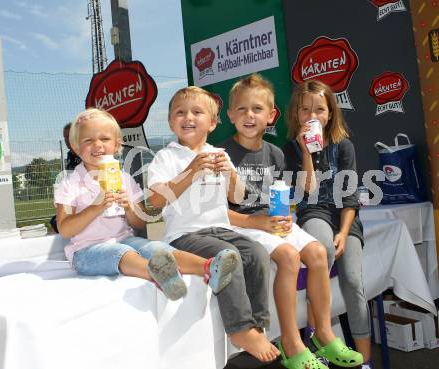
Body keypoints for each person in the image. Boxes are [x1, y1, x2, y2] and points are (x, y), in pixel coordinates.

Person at [223, 73, 363, 369]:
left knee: (316, 252)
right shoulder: (223, 154)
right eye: (243, 109)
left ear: (271, 115)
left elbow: (303, 192)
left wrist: (284, 215)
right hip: (242, 225)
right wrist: (261, 223)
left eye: (258, 109)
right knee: (288, 256)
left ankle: (323, 333)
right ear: (230, 114)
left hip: (271, 222)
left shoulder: (275, 152)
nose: (250, 116)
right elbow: (216, 214)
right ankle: (291, 341)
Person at [147, 86, 280, 362]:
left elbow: (238, 197)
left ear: (212, 122)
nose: (188, 118)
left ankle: (257, 325)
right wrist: (191, 171)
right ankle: (239, 329)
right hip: (184, 235)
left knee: (256, 253)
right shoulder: (166, 157)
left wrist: (230, 173)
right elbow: (157, 201)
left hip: (221, 229)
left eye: (197, 112)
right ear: (171, 122)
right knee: (227, 257)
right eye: (180, 113)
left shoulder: (219, 153)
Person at [54, 108, 239, 301]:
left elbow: (139, 224)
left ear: (117, 145)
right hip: (86, 251)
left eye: (105, 139)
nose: (97, 145)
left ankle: (210, 267)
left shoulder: (124, 179)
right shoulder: (69, 183)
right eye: (88, 140)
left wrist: (129, 208)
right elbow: (65, 229)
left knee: (158, 249)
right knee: (121, 252)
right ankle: (159, 275)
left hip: (124, 239)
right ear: (76, 147)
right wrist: (96, 207)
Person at [282, 80, 372, 369]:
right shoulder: (290, 148)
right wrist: (307, 151)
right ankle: (318, 339)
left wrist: (345, 234)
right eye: (305, 109)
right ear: (296, 114)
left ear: (330, 113)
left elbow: (350, 199)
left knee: (353, 281)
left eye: (319, 109)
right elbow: (306, 193)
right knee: (322, 250)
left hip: (344, 218)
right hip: (313, 212)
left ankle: (364, 361)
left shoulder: (344, 146)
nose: (312, 116)